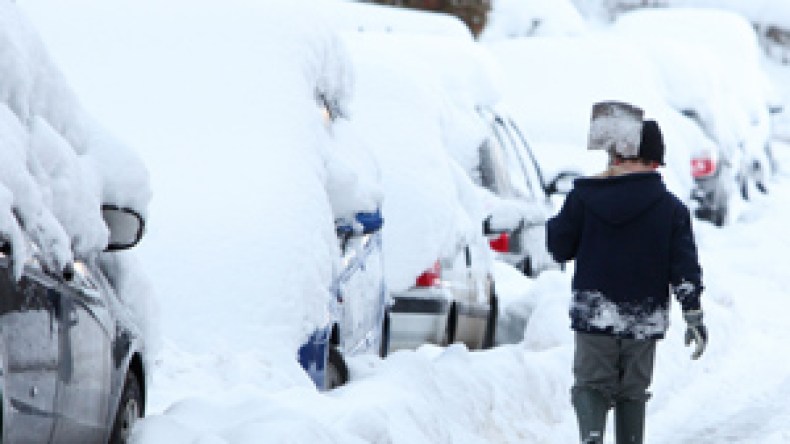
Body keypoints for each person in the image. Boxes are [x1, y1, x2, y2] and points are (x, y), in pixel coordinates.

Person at [546, 116, 707, 444]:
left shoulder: (584, 197)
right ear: (656, 161)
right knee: (632, 393)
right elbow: (685, 269)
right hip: (644, 316)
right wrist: (693, 315)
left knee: (591, 385)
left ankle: (592, 437)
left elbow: (559, 248)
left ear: (615, 156)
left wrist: (563, 217)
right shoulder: (671, 210)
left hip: (594, 312)